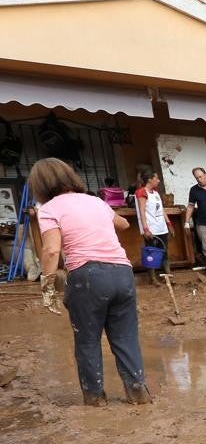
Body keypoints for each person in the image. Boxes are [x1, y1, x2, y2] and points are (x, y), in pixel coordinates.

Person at [31, 157, 152, 406]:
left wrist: (47, 286)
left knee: (87, 340)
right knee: (125, 337)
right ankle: (138, 393)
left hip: (87, 278)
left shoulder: (49, 209)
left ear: (40, 185)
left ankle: (95, 398)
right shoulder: (96, 201)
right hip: (122, 273)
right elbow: (124, 223)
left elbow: (52, 251)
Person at [134, 170, 173, 285]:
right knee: (151, 253)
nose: (158, 180)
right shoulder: (141, 192)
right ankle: (153, 278)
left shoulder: (155, 193)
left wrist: (169, 223)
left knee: (165, 252)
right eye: (156, 178)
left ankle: (168, 275)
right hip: (151, 229)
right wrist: (146, 229)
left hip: (161, 227)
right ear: (150, 179)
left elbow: (161, 210)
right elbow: (141, 212)